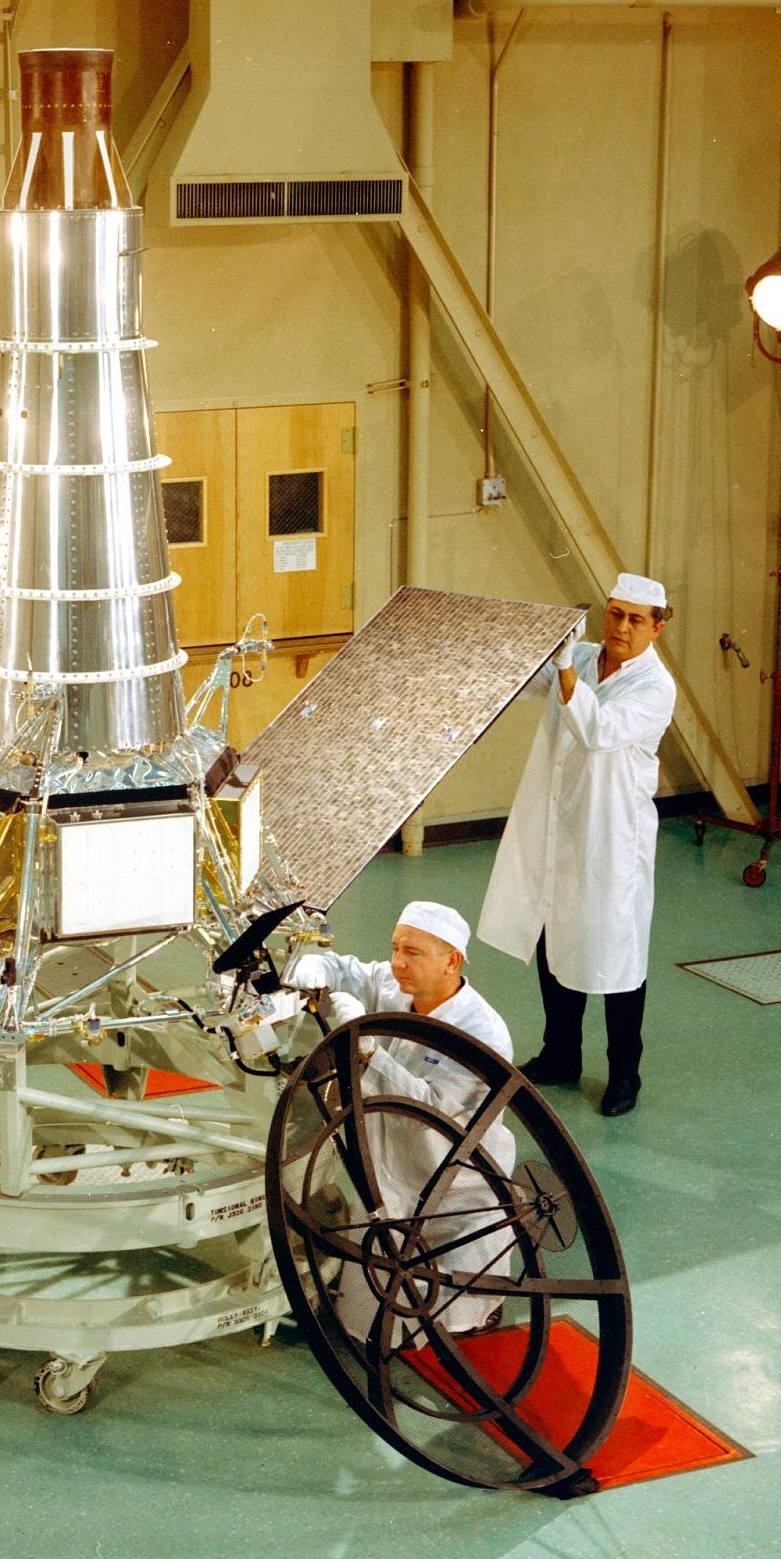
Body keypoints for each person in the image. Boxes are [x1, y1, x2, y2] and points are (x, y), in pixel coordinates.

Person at [477, 574, 678, 1117]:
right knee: (554, 932)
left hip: (612, 839)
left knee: (615, 955)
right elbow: (526, 681)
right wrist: (521, 642)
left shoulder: (655, 687)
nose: (622, 627)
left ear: (657, 627)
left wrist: (563, 666)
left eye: (636, 619)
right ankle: (561, 1054)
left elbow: (597, 728)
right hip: (562, 825)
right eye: (615, 613)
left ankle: (624, 1075)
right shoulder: (586, 657)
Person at [284, 901, 516, 1343]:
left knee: (456, 1304)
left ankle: (477, 1314)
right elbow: (344, 969)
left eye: (412, 952)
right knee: (367, 1318)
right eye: (395, 947)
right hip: (393, 1170)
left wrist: (370, 1051)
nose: (397, 962)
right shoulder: (396, 986)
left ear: (452, 961)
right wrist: (317, 967)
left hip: (453, 1177)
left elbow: (431, 1109)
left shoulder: (483, 1033)